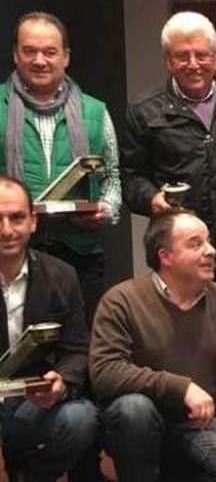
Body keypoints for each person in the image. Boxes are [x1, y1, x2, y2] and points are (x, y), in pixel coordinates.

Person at [90, 210, 216, 481]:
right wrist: (181, 386)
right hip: (141, 422)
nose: (210, 251)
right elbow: (105, 372)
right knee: (133, 410)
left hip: (202, 422)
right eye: (195, 243)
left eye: (208, 242)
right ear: (165, 256)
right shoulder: (122, 300)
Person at [121, 11, 216, 299]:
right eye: (182, 56)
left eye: (202, 55)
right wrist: (153, 199)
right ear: (168, 60)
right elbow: (130, 178)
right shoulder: (144, 112)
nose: (193, 64)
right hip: (178, 254)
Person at [0, 11, 121, 327]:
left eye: (50, 52)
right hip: (8, 251)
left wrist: (106, 209)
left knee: (79, 350)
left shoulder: (95, 111)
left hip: (80, 253)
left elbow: (112, 177)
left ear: (65, 57)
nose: (40, 60)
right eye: (30, 51)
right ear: (15, 55)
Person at [0, 175, 98, 481]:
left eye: (16, 218)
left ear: (33, 222)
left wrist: (63, 380)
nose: (6, 230)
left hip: (32, 399)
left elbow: (77, 349)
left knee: (82, 418)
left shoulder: (62, 275)